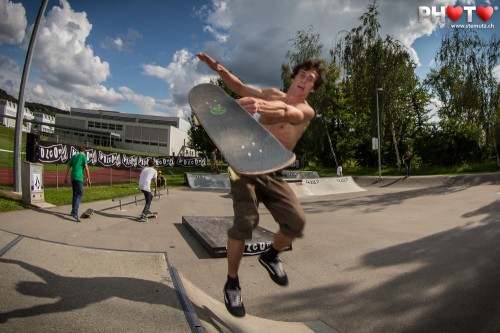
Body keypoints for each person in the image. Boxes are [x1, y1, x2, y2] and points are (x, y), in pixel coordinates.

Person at [197, 52, 325, 317]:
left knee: (296, 222)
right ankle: (232, 282)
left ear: (312, 88)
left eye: (310, 80)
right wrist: (219, 68)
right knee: (246, 221)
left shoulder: (306, 110)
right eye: (302, 75)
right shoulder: (270, 92)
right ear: (294, 77)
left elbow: (287, 113)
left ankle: (270, 255)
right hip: (244, 167)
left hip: (272, 171)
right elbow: (238, 87)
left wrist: (259, 106)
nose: (304, 81)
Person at [64, 146, 91, 222]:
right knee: (79, 194)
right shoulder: (83, 156)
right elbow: (86, 168)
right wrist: (89, 178)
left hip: (72, 176)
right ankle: (74, 212)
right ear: (84, 151)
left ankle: (73, 211)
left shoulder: (74, 156)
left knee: (75, 194)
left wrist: (65, 177)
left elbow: (68, 167)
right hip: (79, 177)